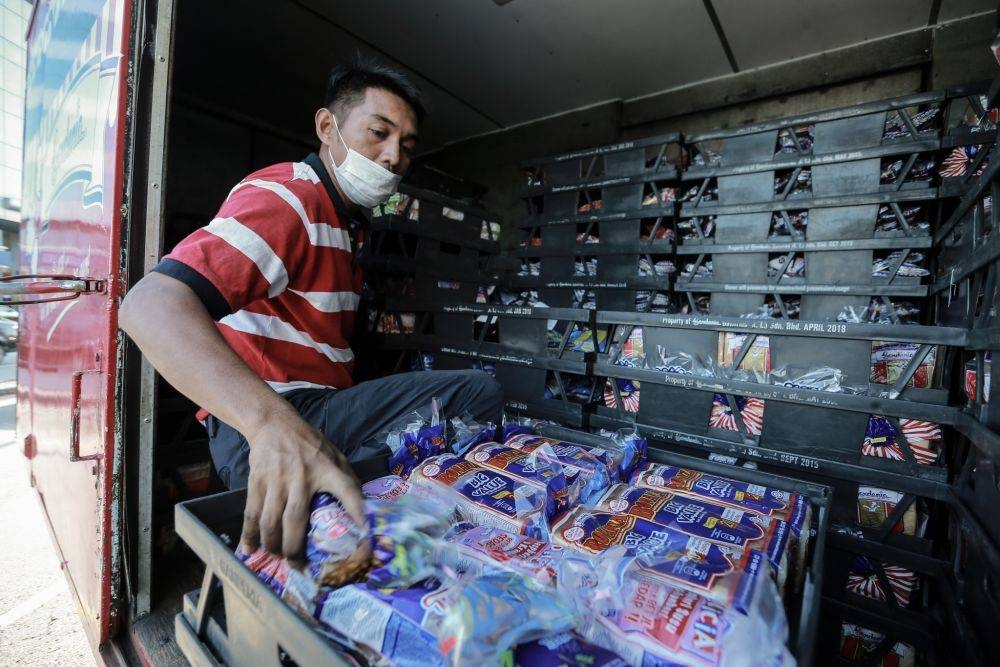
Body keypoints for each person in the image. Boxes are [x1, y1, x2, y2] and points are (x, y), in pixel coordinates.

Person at [119, 56, 504, 573]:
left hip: (313, 408)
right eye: (378, 133)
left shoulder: (345, 226)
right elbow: (149, 305)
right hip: (274, 417)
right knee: (480, 392)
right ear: (328, 127)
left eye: (405, 147)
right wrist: (271, 425)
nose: (392, 157)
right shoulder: (290, 199)